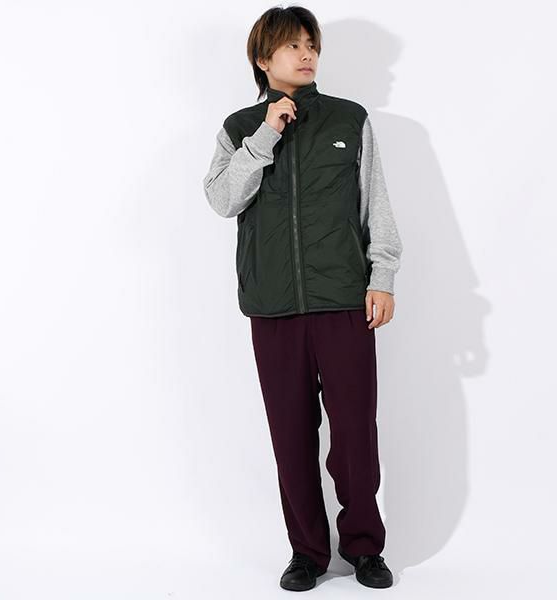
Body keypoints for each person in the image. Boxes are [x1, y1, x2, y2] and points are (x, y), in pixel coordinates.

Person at [203, 5, 402, 592]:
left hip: (343, 299)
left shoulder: (349, 118)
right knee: (290, 437)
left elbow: (375, 203)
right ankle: (307, 552)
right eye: (292, 45)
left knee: (355, 435)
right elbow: (222, 200)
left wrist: (382, 276)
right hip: (273, 305)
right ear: (263, 59)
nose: (307, 53)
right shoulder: (240, 127)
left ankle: (365, 547)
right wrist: (266, 133)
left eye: (310, 44)